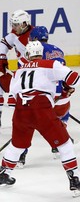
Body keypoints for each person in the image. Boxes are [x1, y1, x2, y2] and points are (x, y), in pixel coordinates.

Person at [0, 40, 80, 197]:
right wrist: (67, 88)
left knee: (17, 145)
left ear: (27, 54)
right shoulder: (50, 64)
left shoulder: (19, 71)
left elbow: (13, 97)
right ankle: (74, 180)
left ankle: (4, 174)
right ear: (41, 53)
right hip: (41, 108)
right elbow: (74, 78)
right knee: (64, 143)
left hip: (21, 109)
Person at [29, 25, 72, 156]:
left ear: (35, 38)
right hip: (63, 99)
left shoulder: (34, 51)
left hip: (46, 98)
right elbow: (65, 76)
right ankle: (58, 145)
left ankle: (21, 156)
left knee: (27, 123)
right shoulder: (59, 50)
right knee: (62, 115)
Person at [0, 9, 33, 128]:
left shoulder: (33, 38)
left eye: (16, 24)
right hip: (21, 75)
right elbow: (5, 42)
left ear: (24, 24)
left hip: (32, 78)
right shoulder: (16, 33)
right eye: (12, 24)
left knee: (19, 101)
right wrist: (1, 56)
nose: (13, 27)